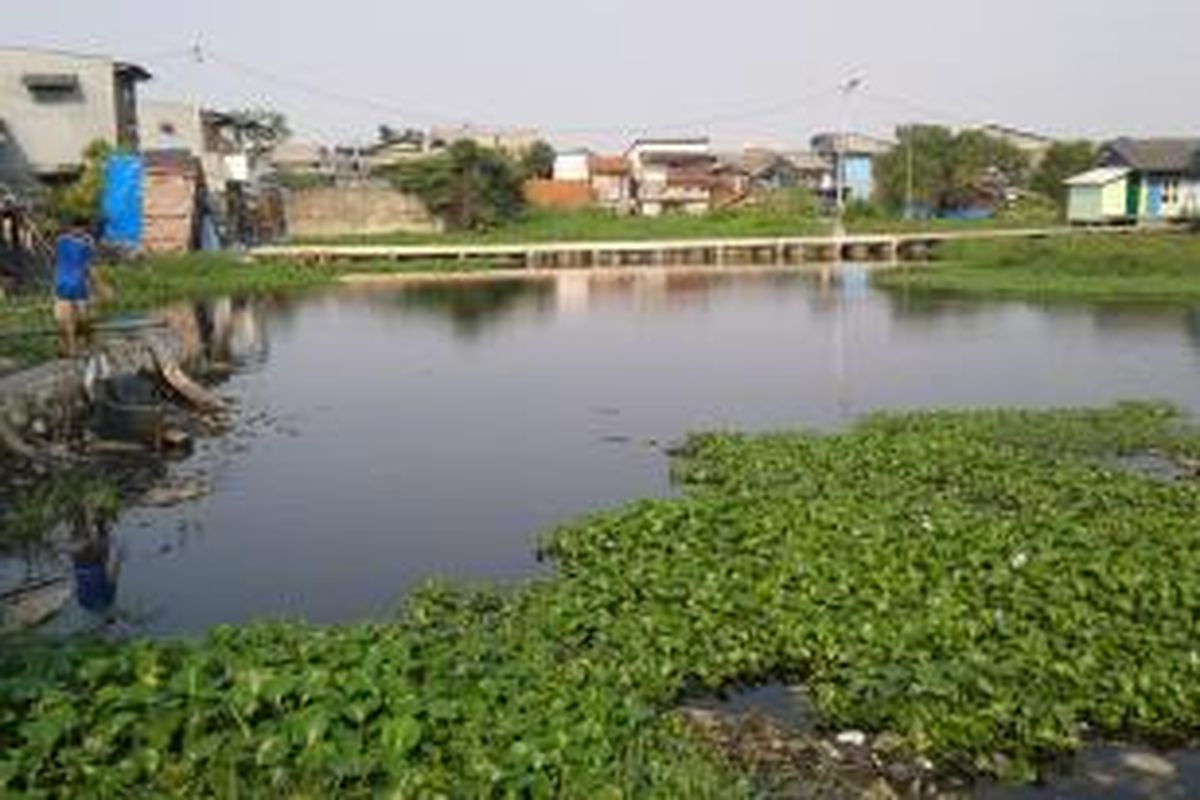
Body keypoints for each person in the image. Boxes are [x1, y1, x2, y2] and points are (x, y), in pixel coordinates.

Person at [53, 218, 95, 357]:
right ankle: (68, 349)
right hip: (63, 286)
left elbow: (88, 266)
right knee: (63, 321)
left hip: (79, 287)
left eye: (82, 229)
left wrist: (97, 285)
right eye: (77, 228)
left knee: (83, 320)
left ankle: (84, 345)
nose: (79, 231)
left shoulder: (86, 243)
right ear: (72, 227)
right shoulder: (62, 241)